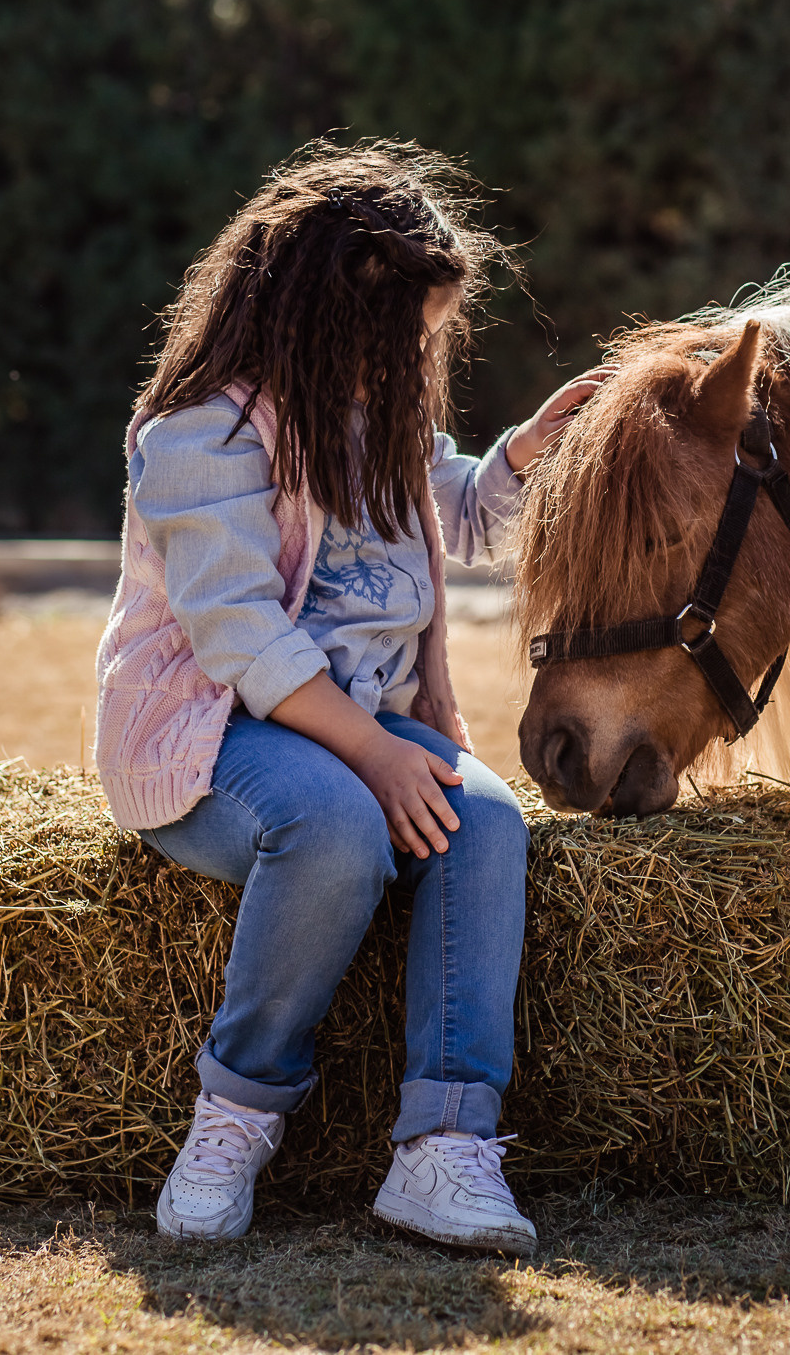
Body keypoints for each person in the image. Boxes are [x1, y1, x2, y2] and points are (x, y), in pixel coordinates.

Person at [93, 139, 610, 1253]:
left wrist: (529, 450)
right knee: (333, 831)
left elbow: (460, 519)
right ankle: (234, 1115)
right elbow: (242, 635)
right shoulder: (198, 435)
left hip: (359, 726)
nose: (415, 360)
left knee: (481, 823)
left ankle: (443, 1148)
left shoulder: (378, 426)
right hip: (213, 736)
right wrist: (375, 758)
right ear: (330, 318)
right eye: (403, 338)